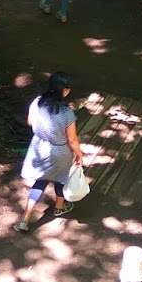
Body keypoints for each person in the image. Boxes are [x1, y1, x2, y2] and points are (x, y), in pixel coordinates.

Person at [15, 71, 85, 232]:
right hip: (60, 151)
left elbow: (30, 122)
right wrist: (79, 154)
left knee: (40, 182)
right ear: (65, 90)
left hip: (38, 147)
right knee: (61, 179)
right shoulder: (67, 113)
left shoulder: (38, 102)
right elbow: (72, 140)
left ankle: (25, 219)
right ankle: (59, 207)